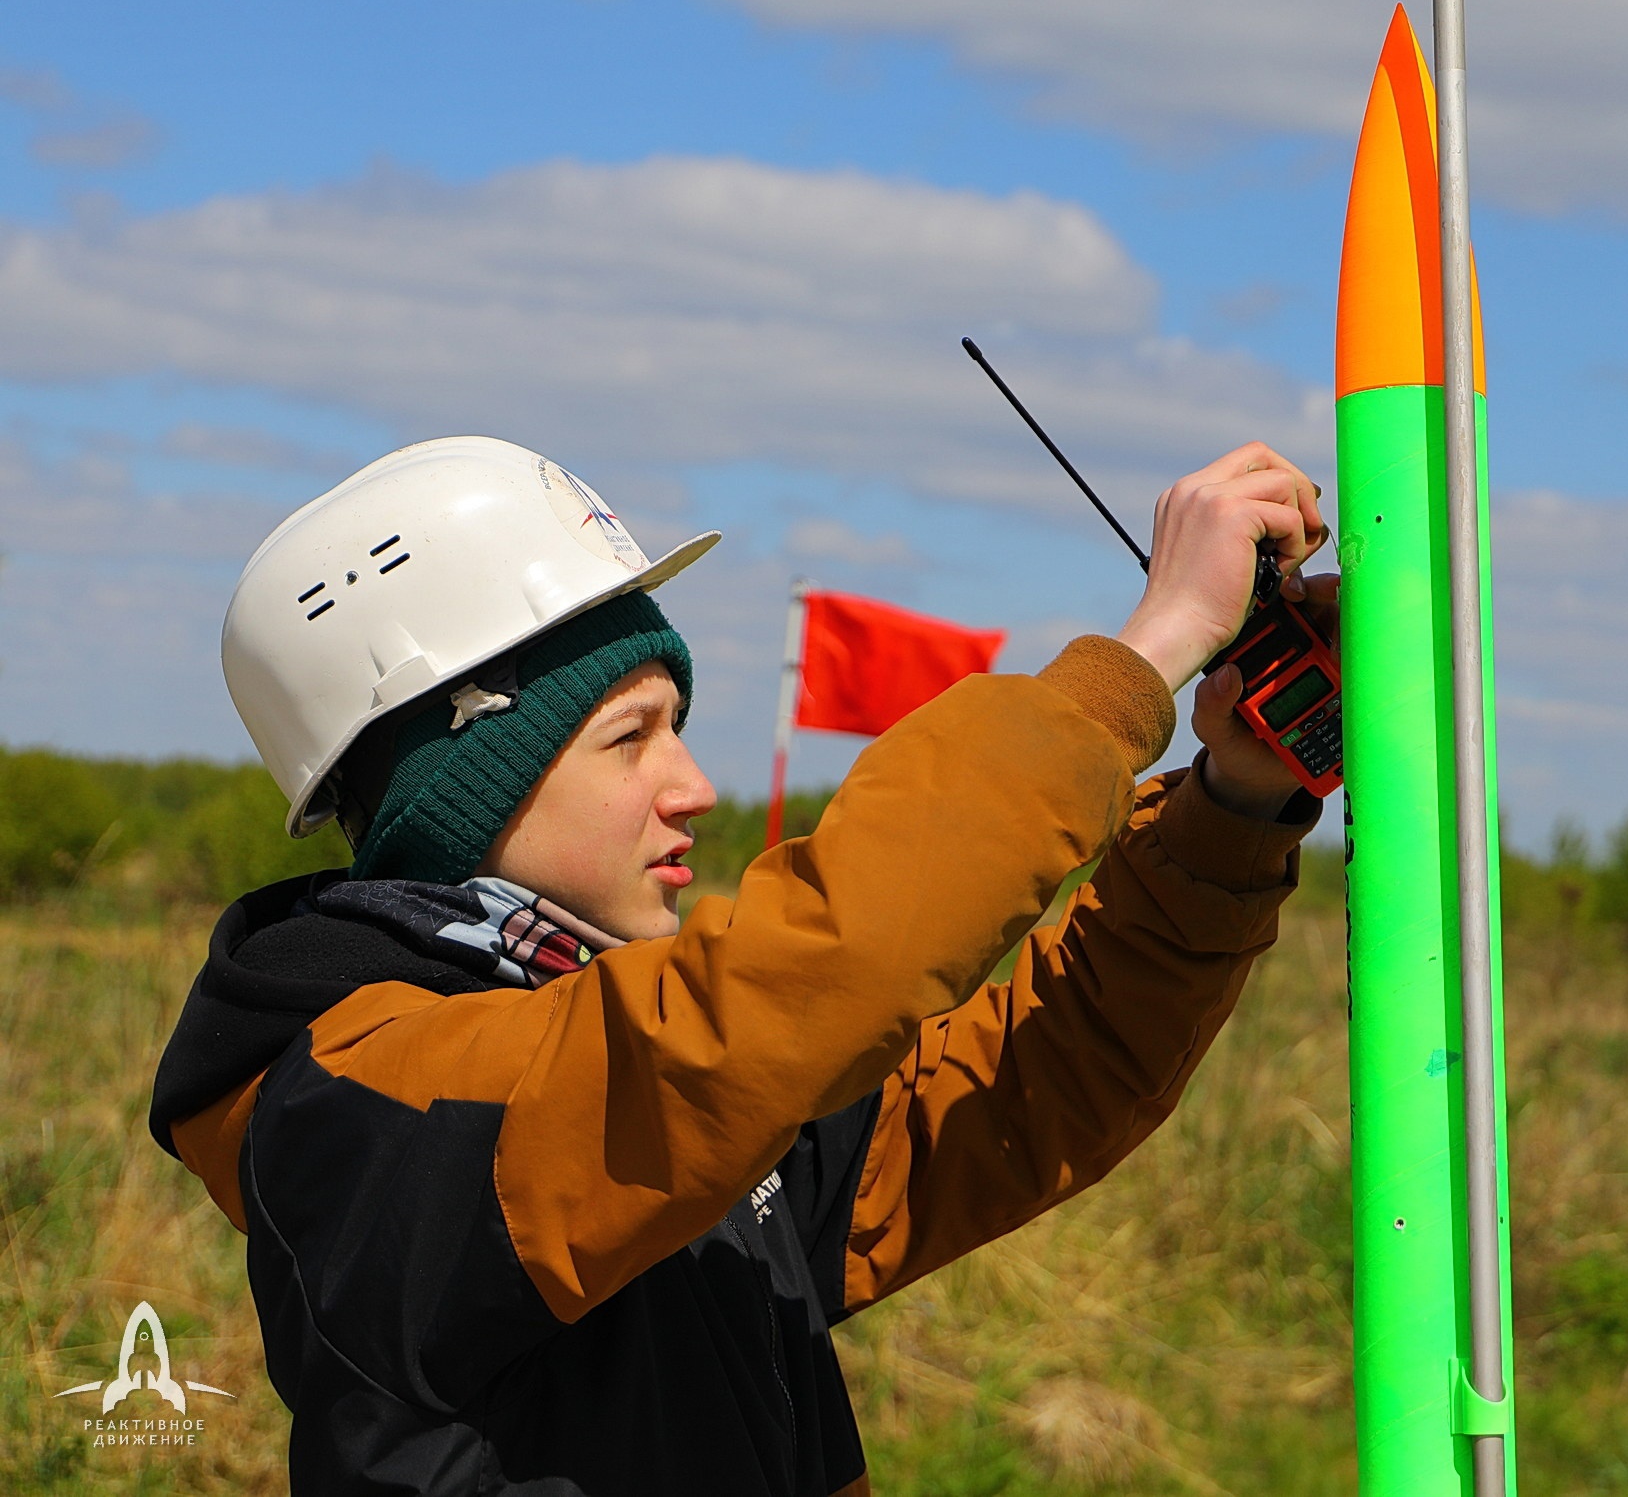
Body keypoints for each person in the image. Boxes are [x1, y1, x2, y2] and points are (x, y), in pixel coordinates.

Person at [149, 434, 1331, 1496]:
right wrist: (1149, 651)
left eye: (680, 725)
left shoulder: (629, 1066)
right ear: (458, 788)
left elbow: (1022, 1083)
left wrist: (1236, 797)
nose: (693, 787)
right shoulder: (366, 1105)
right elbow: (833, 966)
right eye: (631, 736)